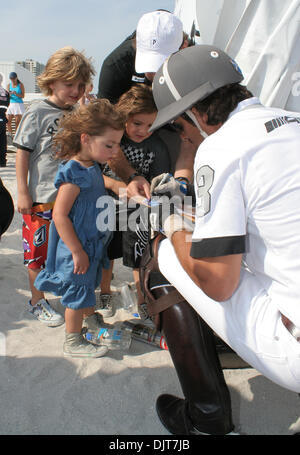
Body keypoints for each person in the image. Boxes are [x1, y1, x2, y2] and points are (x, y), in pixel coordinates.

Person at [141, 44, 300, 435]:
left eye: (179, 125)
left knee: (163, 255)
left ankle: (207, 418)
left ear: (195, 114)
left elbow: (219, 283)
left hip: (293, 346)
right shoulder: (292, 120)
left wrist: (173, 225)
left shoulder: (222, 145)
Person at [34, 100, 125, 358]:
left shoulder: (92, 166)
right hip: (76, 246)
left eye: (117, 144)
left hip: (90, 242)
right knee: (76, 290)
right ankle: (72, 340)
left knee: (86, 285)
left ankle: (90, 318)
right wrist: (76, 251)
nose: (115, 150)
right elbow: (60, 216)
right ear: (85, 138)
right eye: (109, 144)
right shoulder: (74, 172)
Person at [14, 46, 95, 327]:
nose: (75, 90)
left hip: (69, 199)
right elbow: (23, 153)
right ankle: (37, 301)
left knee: (63, 250)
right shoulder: (37, 112)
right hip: (40, 199)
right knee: (37, 254)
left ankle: (69, 294)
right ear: (51, 81)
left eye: (80, 84)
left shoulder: (77, 112)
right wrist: (23, 191)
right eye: (69, 84)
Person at [97, 10, 196, 197]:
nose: (152, 74)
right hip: (121, 136)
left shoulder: (194, 64)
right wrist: (131, 176)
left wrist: (181, 182)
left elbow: (191, 133)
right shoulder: (115, 66)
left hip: (163, 135)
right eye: (148, 63)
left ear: (183, 47)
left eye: (161, 64)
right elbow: (105, 132)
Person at [97, 84, 170, 318]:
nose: (143, 131)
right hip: (106, 203)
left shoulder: (157, 145)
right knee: (106, 255)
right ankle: (105, 292)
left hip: (137, 210)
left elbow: (159, 180)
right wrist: (116, 185)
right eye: (137, 123)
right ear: (125, 117)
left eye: (150, 125)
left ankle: (142, 298)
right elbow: (92, 173)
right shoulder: (111, 140)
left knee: (138, 257)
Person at [6, 72, 25, 136]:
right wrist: (9, 94)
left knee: (17, 122)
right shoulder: (9, 85)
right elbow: (7, 96)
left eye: (13, 78)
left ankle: (17, 136)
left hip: (18, 104)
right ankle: (10, 135)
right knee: (8, 121)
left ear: (16, 78)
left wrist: (16, 93)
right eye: (11, 79)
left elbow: (23, 96)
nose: (12, 80)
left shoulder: (20, 85)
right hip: (11, 104)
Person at [0, 74, 10, 167]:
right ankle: (2, 161)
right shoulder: (6, 93)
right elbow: (7, 105)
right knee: (3, 142)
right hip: (2, 119)